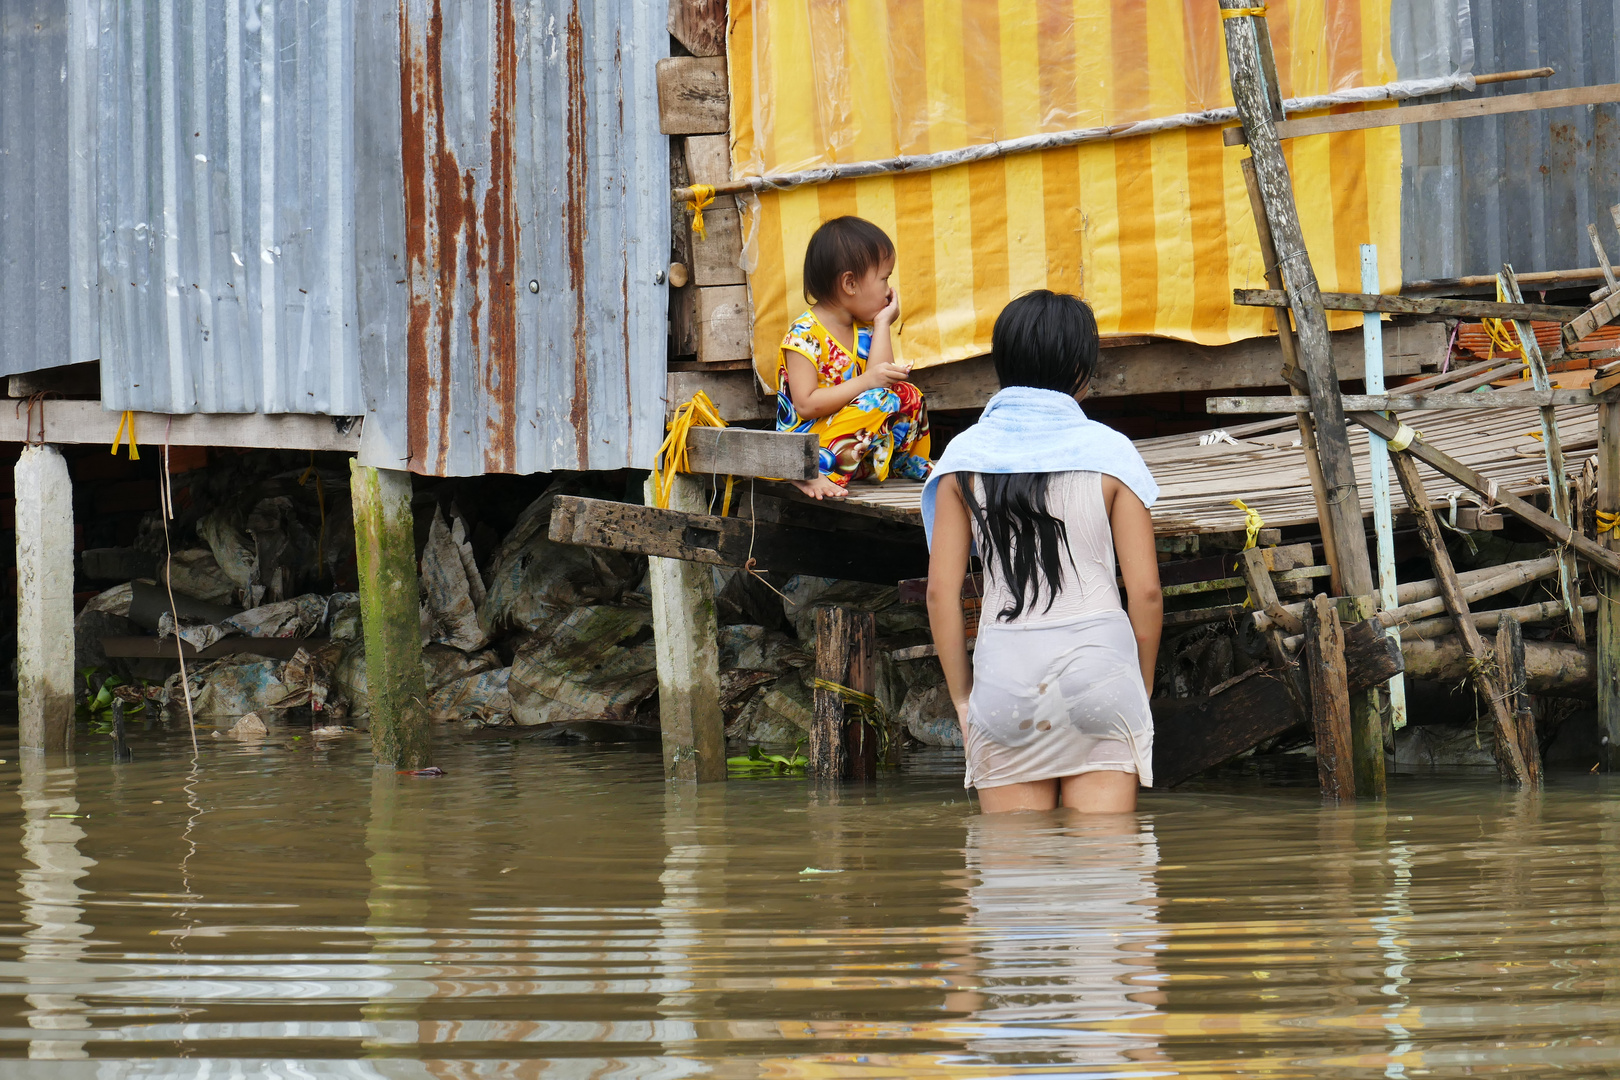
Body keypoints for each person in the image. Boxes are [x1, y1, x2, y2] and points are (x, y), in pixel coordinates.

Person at [922, 290, 1162, 814]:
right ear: (1081, 367)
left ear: (1002, 362)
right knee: (1108, 878)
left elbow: (941, 593)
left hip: (1005, 674)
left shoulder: (964, 458)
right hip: (1101, 669)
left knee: (1012, 881)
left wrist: (963, 700)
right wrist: (1136, 690)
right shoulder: (1112, 453)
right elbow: (1145, 592)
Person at [774, 216, 932, 500]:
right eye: (884, 278)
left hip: (853, 443)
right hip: (807, 449)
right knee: (880, 400)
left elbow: (882, 382)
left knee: (907, 394)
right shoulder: (804, 335)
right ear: (850, 283)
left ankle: (899, 464)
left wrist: (883, 323)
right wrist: (867, 381)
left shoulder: (865, 328)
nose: (888, 290)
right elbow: (806, 404)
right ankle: (811, 474)